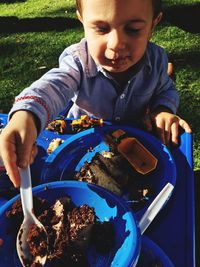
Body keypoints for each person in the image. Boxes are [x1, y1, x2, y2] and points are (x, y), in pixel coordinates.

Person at [0, 0, 191, 188]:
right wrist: (27, 115)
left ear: (153, 24)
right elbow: (54, 86)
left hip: (135, 150)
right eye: (101, 29)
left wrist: (163, 109)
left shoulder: (157, 61)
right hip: (80, 148)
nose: (116, 44)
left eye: (133, 29)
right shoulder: (78, 61)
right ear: (82, 20)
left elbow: (166, 89)